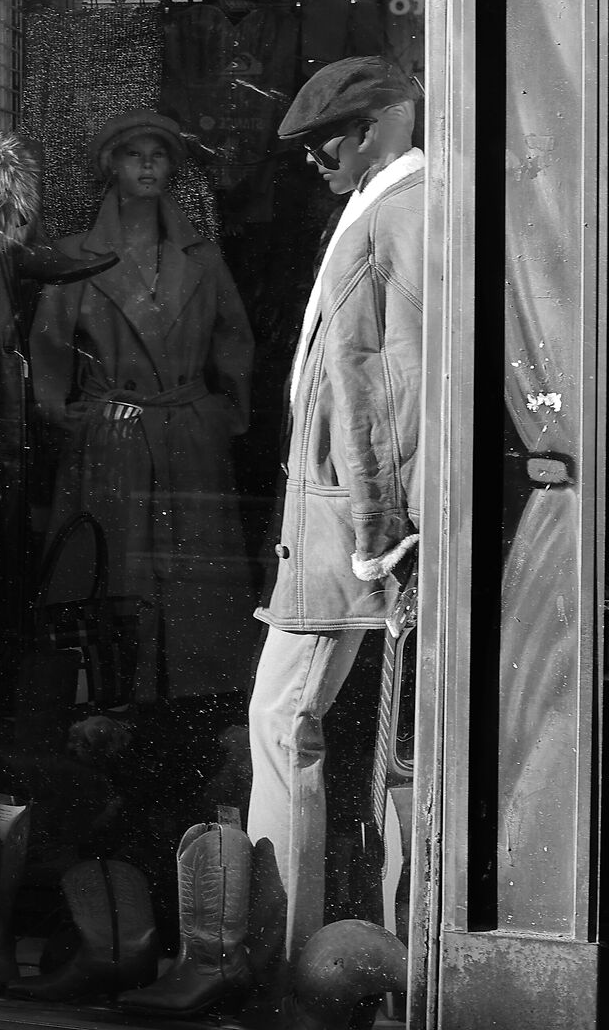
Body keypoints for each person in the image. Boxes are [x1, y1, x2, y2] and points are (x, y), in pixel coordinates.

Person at [246, 58, 426, 964]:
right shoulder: (410, 208)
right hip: (364, 516)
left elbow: (371, 392)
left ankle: (283, 964)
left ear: (382, 126)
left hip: (346, 523)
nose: (320, 155)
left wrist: (372, 530)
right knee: (401, 737)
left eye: (334, 137)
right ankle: (377, 957)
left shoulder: (384, 220)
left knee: (281, 718)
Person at [30, 108, 256, 698]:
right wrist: (63, 413)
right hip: (112, 434)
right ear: (111, 165)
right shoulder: (75, 255)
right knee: (109, 572)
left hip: (188, 434)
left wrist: (221, 417)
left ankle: (198, 699)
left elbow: (235, 340)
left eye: (158, 154)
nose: (148, 164)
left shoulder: (203, 259)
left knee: (194, 580)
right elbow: (48, 347)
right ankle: (109, 699)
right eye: (134, 154)